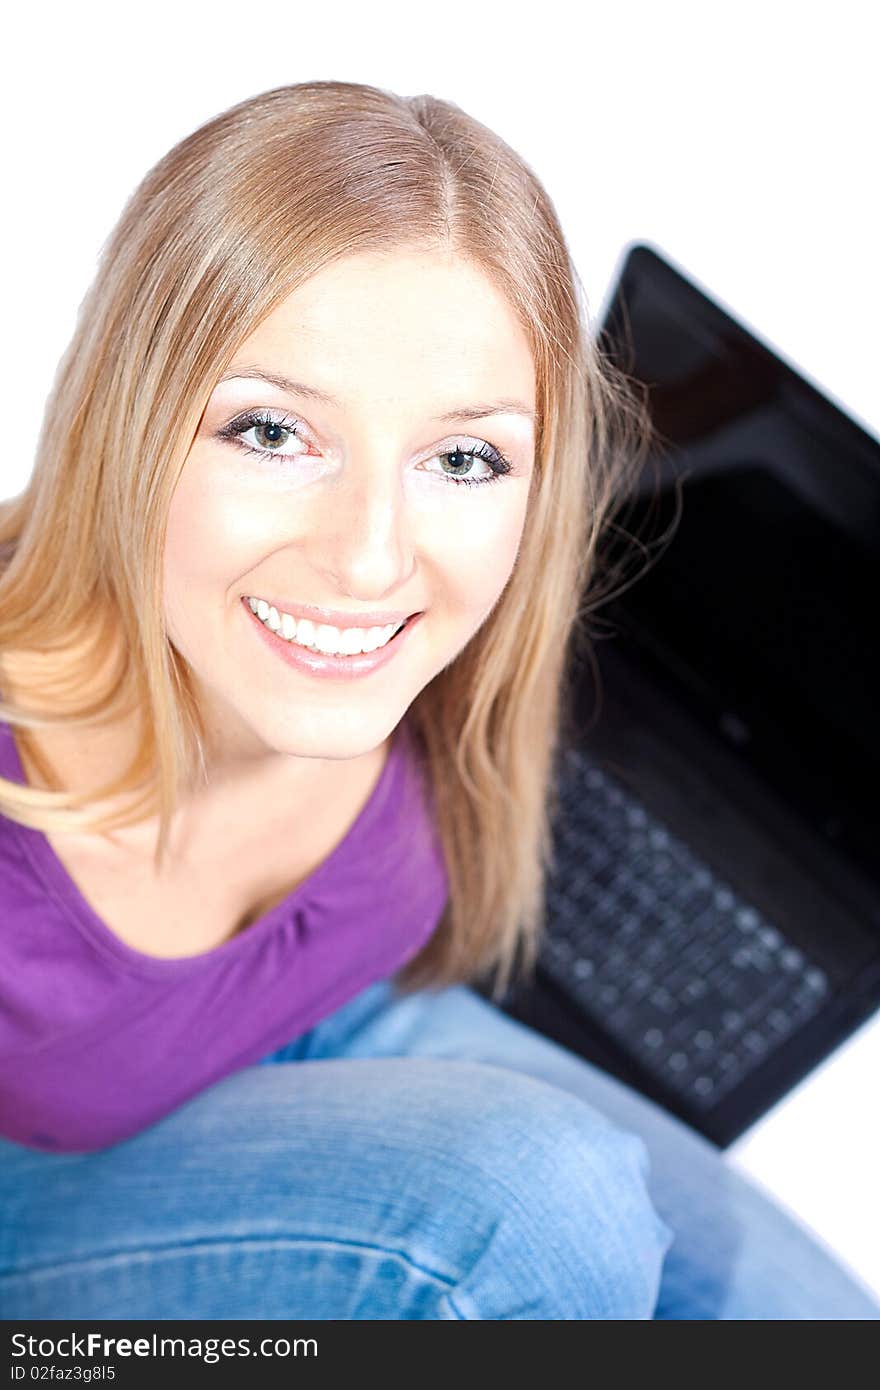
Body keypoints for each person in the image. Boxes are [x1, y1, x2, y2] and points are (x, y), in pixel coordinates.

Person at [0, 79, 876, 1322]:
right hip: (40, 1192)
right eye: (271, 432)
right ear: (129, 420)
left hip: (336, 1015)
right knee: (544, 1211)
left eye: (462, 457)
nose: (368, 558)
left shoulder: (437, 667)